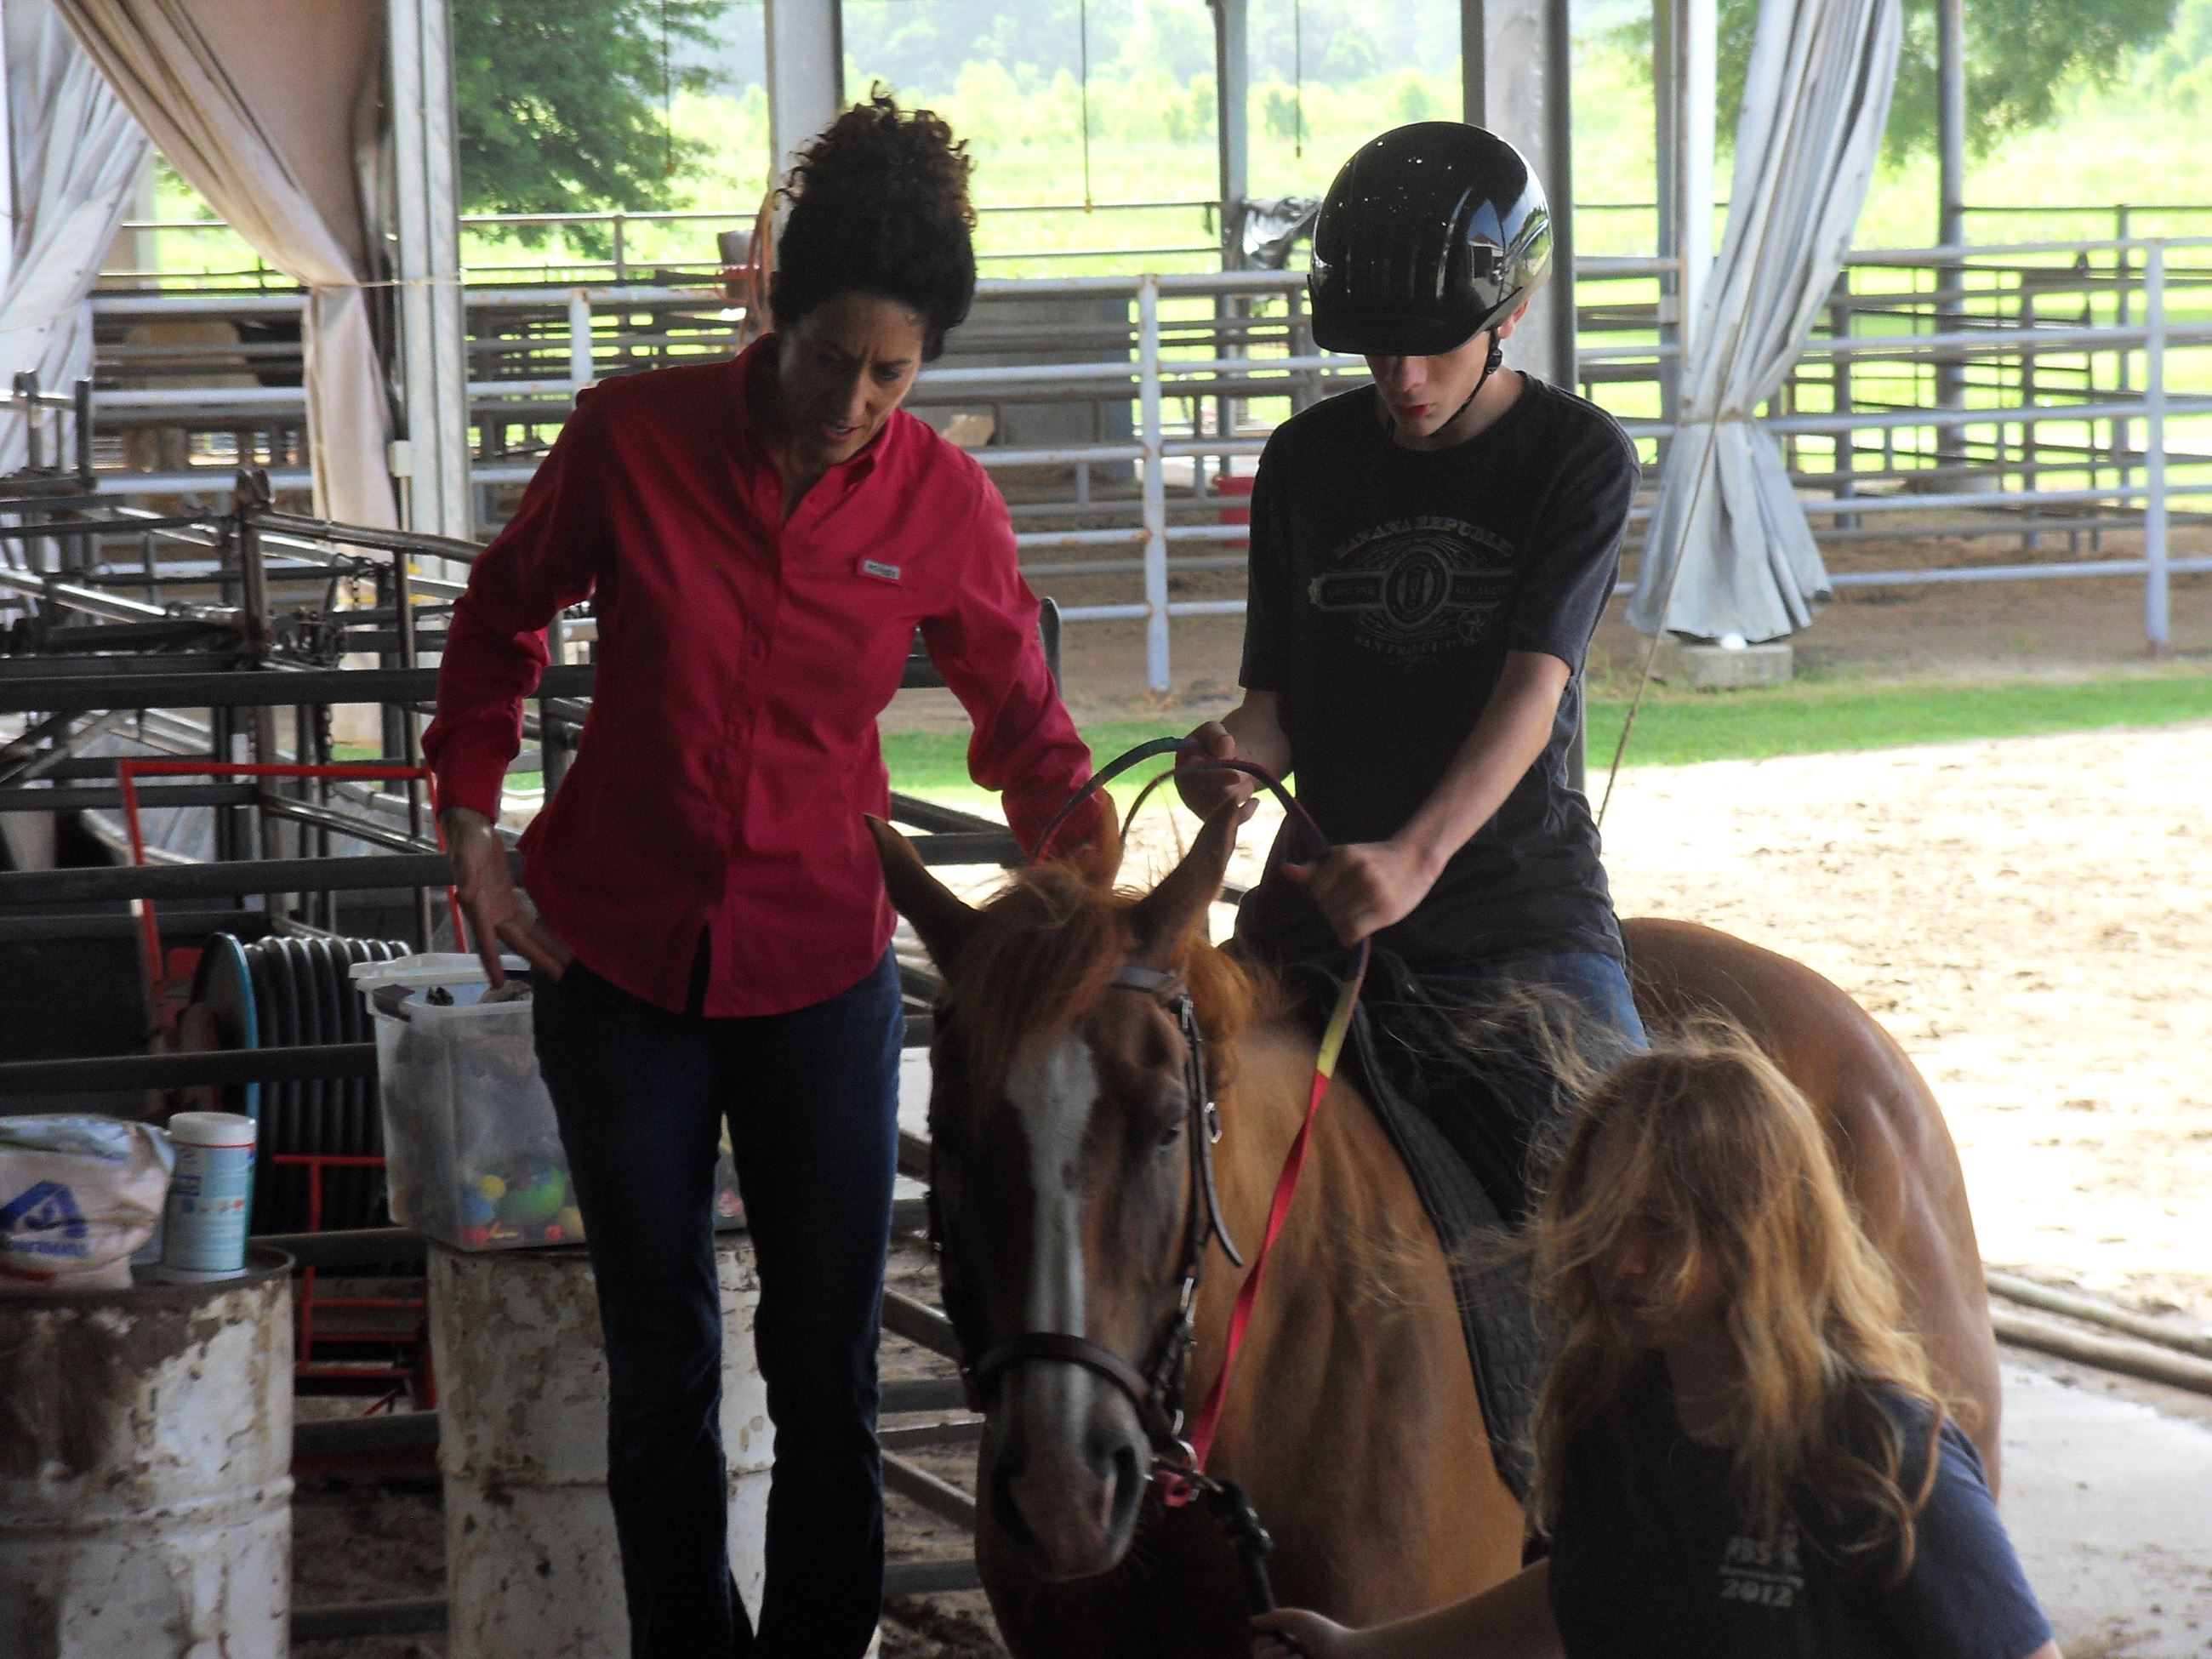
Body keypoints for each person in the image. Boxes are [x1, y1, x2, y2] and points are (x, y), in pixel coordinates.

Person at [424, 93, 1096, 1658]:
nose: (856, 399)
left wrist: (1102, 908)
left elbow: (1030, 735)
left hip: (823, 977)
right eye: (829, 358)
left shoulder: (944, 503)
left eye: (893, 372)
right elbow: (498, 624)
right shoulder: (630, 438)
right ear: (769, 310)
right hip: (620, 975)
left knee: (829, 1376)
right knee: (658, 1371)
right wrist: (473, 829)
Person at [1176, 123, 1645, 1226]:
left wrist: (1415, 857)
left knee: (1624, 1215)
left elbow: (1535, 691)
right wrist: (1229, 760)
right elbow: (1274, 711)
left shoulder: (1575, 458)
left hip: (1512, 915)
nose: (1403, 374)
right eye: (1379, 346)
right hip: (1316, 911)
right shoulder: (1306, 462)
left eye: (1433, 344)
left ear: (1510, 314)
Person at [1252, 1031, 2061, 1659]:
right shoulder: (1616, 1417)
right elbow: (1581, 1591)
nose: (1618, 1262)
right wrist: (1357, 1648)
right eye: (1603, 1223)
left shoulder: (1880, 1450)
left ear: (1759, 1237)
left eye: (1661, 1230)